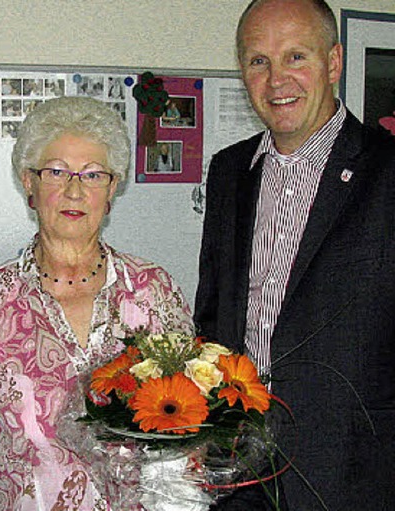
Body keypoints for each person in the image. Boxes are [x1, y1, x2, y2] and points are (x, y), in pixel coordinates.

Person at [0, 96, 194, 510]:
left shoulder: (152, 291)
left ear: (112, 189)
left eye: (93, 175)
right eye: (56, 172)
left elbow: (190, 423)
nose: (74, 190)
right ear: (29, 184)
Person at [194, 0, 395, 509]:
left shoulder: (387, 172)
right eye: (258, 60)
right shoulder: (229, 172)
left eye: (296, 57)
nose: (276, 79)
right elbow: (213, 316)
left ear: (333, 62)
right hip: (238, 469)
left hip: (353, 475)